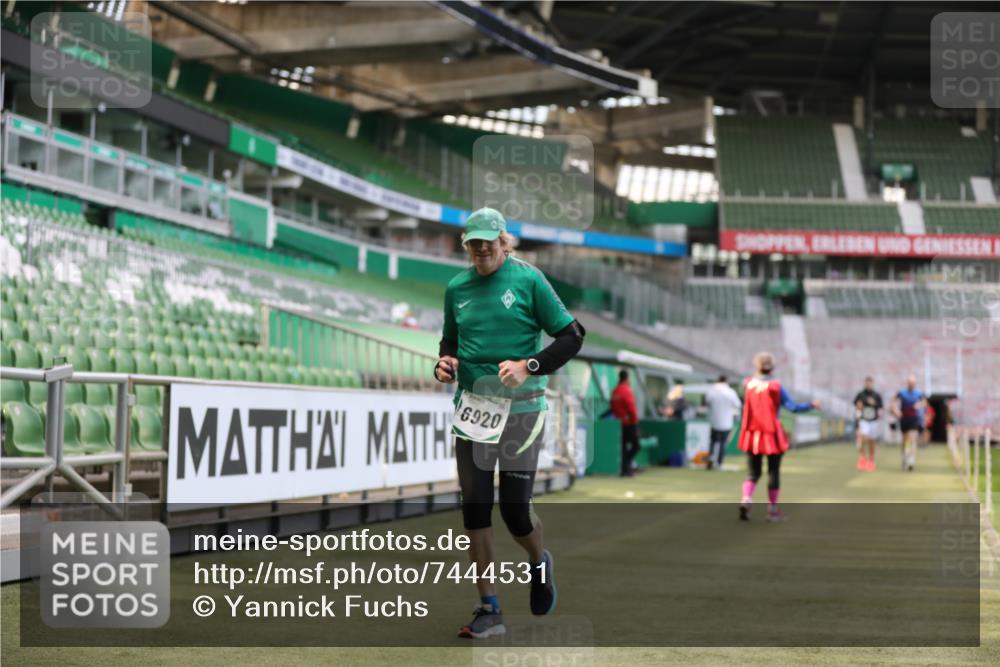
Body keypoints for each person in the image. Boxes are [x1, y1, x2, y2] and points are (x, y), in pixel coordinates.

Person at [434, 207, 586, 639]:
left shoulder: (528, 279)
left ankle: (538, 562)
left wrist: (529, 365)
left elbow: (572, 335)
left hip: (522, 410)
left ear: (504, 241)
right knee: (475, 507)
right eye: (474, 242)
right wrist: (444, 364)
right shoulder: (456, 287)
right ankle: (489, 607)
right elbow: (449, 341)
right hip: (473, 412)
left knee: (515, 511)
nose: (482, 248)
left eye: (489, 241)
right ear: (466, 245)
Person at [737, 352, 820, 522]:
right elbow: (793, 407)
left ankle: (746, 499)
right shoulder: (776, 386)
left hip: (752, 434)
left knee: (753, 473)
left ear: (757, 366)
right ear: (772, 367)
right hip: (772, 435)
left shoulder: (747, 384)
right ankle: (772, 510)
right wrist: (811, 405)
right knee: (773, 472)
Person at [705, 375, 742, 470]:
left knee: (713, 442)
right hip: (726, 422)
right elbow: (738, 404)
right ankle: (719, 462)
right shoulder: (730, 392)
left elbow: (707, 403)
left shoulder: (711, 391)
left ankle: (711, 458)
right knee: (723, 443)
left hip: (714, 421)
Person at [892, 375, 926, 472]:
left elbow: (924, 402)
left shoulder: (918, 393)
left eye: (913, 383)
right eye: (910, 383)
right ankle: (904, 458)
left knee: (912, 439)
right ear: (907, 383)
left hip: (914, 418)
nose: (911, 384)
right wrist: (896, 410)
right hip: (904, 418)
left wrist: (919, 405)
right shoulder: (902, 392)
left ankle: (911, 460)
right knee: (904, 440)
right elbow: (893, 401)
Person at [610, 369, 641, 477]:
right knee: (636, 446)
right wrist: (635, 420)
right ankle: (627, 466)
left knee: (623, 447)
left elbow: (612, 407)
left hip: (619, 423)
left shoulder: (615, 391)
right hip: (629, 423)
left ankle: (625, 470)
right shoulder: (626, 390)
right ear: (627, 378)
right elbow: (631, 407)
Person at [853, 377, 884, 471]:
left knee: (871, 441)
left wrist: (874, 404)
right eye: (867, 383)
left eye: (870, 383)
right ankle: (862, 457)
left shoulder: (876, 395)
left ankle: (871, 459)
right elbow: (856, 405)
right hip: (864, 420)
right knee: (863, 436)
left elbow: (881, 408)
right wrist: (859, 408)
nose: (868, 385)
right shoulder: (860, 394)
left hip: (873, 421)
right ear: (865, 383)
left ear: (872, 384)